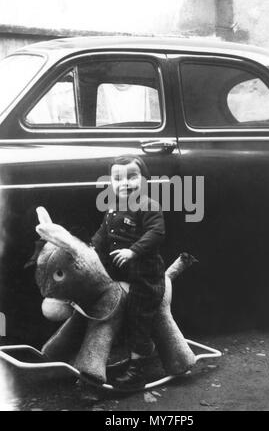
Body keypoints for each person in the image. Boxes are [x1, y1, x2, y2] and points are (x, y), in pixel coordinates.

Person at [91, 155, 165, 389]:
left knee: (138, 317)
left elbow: (156, 233)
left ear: (145, 180)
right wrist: (91, 249)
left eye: (132, 177)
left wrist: (133, 251)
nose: (125, 183)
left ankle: (138, 369)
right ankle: (126, 358)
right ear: (111, 182)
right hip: (120, 274)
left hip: (144, 276)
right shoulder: (112, 208)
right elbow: (103, 235)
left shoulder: (149, 206)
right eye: (118, 178)